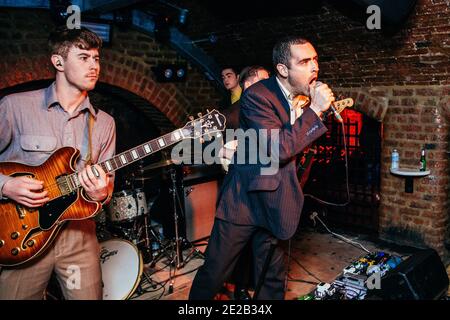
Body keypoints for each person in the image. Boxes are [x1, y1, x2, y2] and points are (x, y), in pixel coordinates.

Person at [189, 36, 334, 300]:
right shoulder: (258, 96)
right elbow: (277, 149)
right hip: (244, 200)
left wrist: (309, 111)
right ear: (282, 69)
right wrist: (314, 111)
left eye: (315, 60)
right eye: (304, 61)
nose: (314, 67)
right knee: (216, 271)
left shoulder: (299, 98)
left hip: (278, 200)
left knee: (272, 278)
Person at [0, 26, 116, 300]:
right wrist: (5, 186)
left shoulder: (104, 124)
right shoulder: (15, 107)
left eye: (96, 58)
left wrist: (100, 193)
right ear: (58, 61)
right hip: (23, 235)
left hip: (79, 238)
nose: (94, 66)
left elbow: (106, 190)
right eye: (84, 57)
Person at [219, 65, 270, 300]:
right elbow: (223, 154)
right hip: (239, 187)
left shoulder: (267, 109)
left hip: (263, 187)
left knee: (261, 244)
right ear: (249, 85)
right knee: (234, 245)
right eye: (264, 82)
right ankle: (237, 287)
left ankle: (249, 287)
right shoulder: (232, 113)